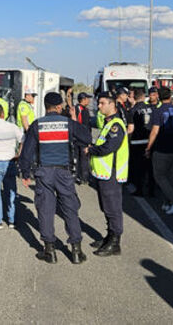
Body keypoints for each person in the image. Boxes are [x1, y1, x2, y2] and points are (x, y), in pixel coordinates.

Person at [18, 92, 93, 264]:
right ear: (59, 107)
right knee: (70, 209)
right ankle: (76, 251)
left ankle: (49, 251)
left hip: (44, 172)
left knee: (45, 210)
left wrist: (25, 173)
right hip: (64, 172)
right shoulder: (68, 123)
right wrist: (73, 119)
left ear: (45, 107)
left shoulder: (37, 125)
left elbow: (27, 152)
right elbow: (87, 137)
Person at [85, 93, 128, 256]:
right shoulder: (108, 123)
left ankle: (115, 243)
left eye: (102, 103)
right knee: (106, 207)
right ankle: (109, 237)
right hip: (104, 173)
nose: (99, 106)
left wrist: (91, 149)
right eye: (99, 103)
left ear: (112, 104)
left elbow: (109, 147)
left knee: (113, 208)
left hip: (112, 174)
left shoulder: (116, 125)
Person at [146, 87, 173, 215]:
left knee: (159, 176)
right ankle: (167, 202)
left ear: (159, 96)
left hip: (163, 148)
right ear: (170, 96)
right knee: (172, 176)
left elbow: (154, 131)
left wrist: (148, 147)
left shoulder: (158, 111)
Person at [128, 89, 156, 197]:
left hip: (137, 142)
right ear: (144, 97)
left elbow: (131, 129)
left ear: (134, 97)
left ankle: (139, 190)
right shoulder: (151, 108)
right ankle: (151, 190)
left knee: (138, 168)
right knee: (150, 167)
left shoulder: (133, 110)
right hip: (149, 140)